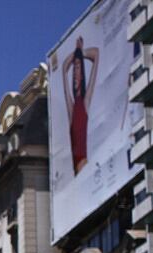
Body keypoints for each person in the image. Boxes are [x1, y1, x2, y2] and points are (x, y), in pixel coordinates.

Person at [62, 36, 99, 175]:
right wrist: (76, 52)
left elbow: (96, 54)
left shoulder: (85, 102)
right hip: (76, 167)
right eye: (75, 68)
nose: (76, 72)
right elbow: (64, 68)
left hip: (83, 163)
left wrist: (81, 52)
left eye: (79, 68)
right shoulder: (72, 108)